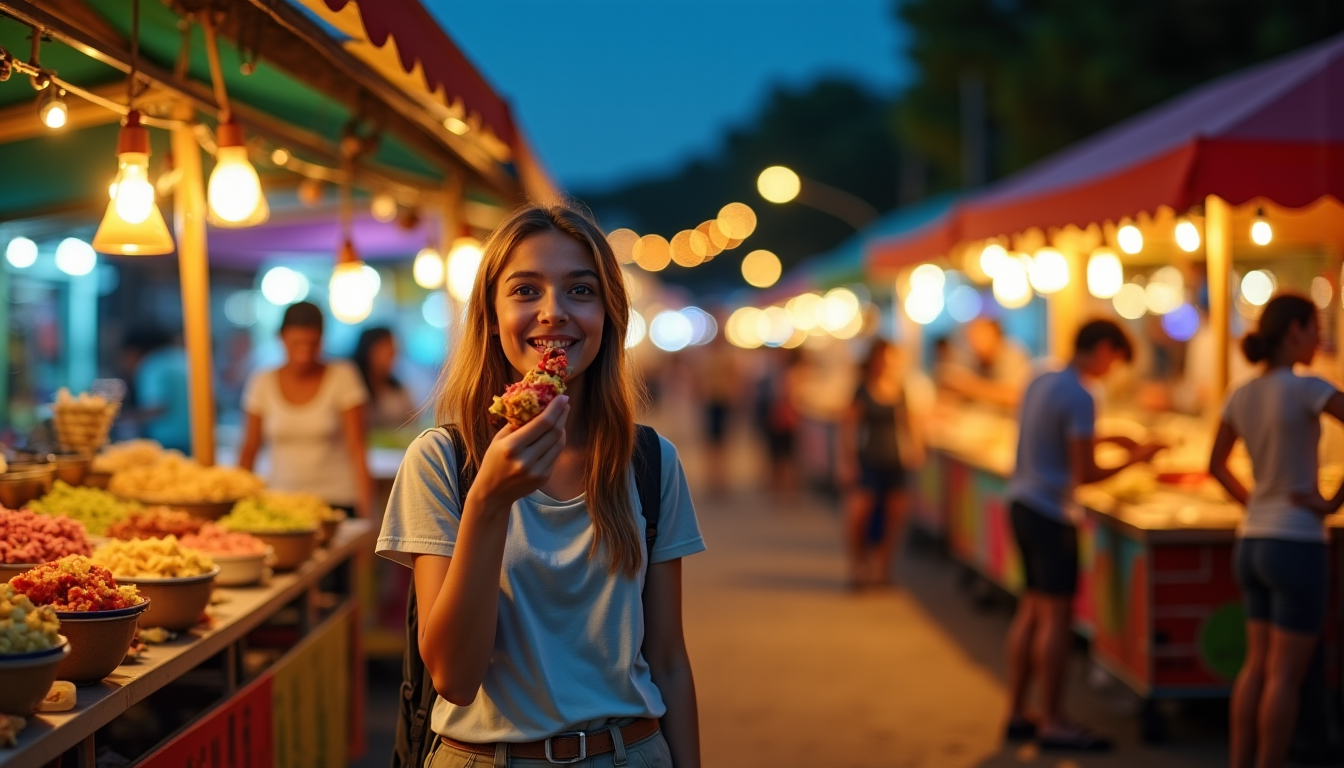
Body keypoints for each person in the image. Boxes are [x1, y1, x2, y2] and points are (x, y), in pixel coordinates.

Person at [375, 203, 704, 767]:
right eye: (526, 290)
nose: (553, 312)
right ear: (490, 316)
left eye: (581, 291)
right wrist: (488, 499)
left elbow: (669, 660)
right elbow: (454, 677)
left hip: (630, 753)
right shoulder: (441, 462)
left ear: (609, 316)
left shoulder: (651, 462)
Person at [1003, 319, 1163, 751]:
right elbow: (1085, 472)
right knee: (1056, 620)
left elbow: (1063, 437)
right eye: (1116, 360)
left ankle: (1017, 711)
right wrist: (1139, 458)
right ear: (1104, 348)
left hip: (1021, 503)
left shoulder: (1041, 376)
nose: (1113, 371)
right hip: (1052, 514)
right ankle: (1053, 720)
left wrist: (1116, 439)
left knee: (1030, 611)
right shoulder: (1082, 393)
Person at [1207, 294, 1342, 768]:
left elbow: (1215, 465)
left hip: (1252, 542)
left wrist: (1255, 503)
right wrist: (1333, 502)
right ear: (1294, 331)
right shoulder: (1308, 388)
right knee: (1285, 677)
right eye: (1315, 328)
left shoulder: (1240, 392)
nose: (1320, 338)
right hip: (1297, 543)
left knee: (1256, 667)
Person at [238, 302, 372, 516]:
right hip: (280, 503)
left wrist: (367, 515)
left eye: (313, 344)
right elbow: (249, 449)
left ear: (322, 339)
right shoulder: (261, 382)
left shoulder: (343, 376)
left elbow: (357, 448)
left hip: (337, 503)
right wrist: (238, 504)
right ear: (281, 338)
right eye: (296, 344)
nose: (305, 354)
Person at [838, 339, 922, 589]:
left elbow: (909, 422)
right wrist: (848, 461)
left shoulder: (900, 389)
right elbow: (848, 427)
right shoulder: (862, 390)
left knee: (893, 517)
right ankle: (859, 564)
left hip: (895, 460)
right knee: (858, 515)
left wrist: (916, 447)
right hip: (868, 459)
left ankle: (882, 568)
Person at [123, 329, 191, 453]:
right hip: (194, 439)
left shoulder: (153, 365)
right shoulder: (184, 357)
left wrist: (126, 418)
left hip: (167, 443)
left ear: (134, 351)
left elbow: (157, 407)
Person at [940, 317, 1031, 410]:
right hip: (981, 415)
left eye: (981, 335)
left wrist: (969, 386)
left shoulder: (1012, 354)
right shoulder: (973, 356)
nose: (975, 341)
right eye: (972, 336)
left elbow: (1015, 396)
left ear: (996, 334)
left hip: (1006, 417)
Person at [353, 326, 417, 432]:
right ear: (369, 350)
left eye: (393, 351)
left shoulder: (397, 389)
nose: (393, 357)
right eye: (387, 350)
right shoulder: (353, 387)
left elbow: (413, 422)